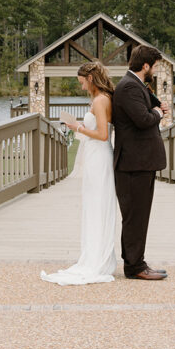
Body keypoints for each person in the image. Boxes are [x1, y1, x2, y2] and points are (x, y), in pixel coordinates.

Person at [41, 62, 118, 285]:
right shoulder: (100, 99)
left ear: (91, 79)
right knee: (93, 205)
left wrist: (77, 128)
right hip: (95, 156)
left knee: (98, 205)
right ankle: (94, 253)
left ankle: (97, 260)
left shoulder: (101, 100)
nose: (82, 87)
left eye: (82, 83)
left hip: (100, 156)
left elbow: (103, 134)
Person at [111, 45, 169, 280]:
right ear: (145, 66)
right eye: (154, 66)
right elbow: (144, 120)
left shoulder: (135, 86)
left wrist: (156, 106)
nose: (155, 70)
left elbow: (146, 109)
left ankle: (137, 262)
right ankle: (134, 267)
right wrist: (159, 113)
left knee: (139, 215)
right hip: (133, 164)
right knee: (135, 216)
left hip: (140, 162)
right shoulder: (128, 88)